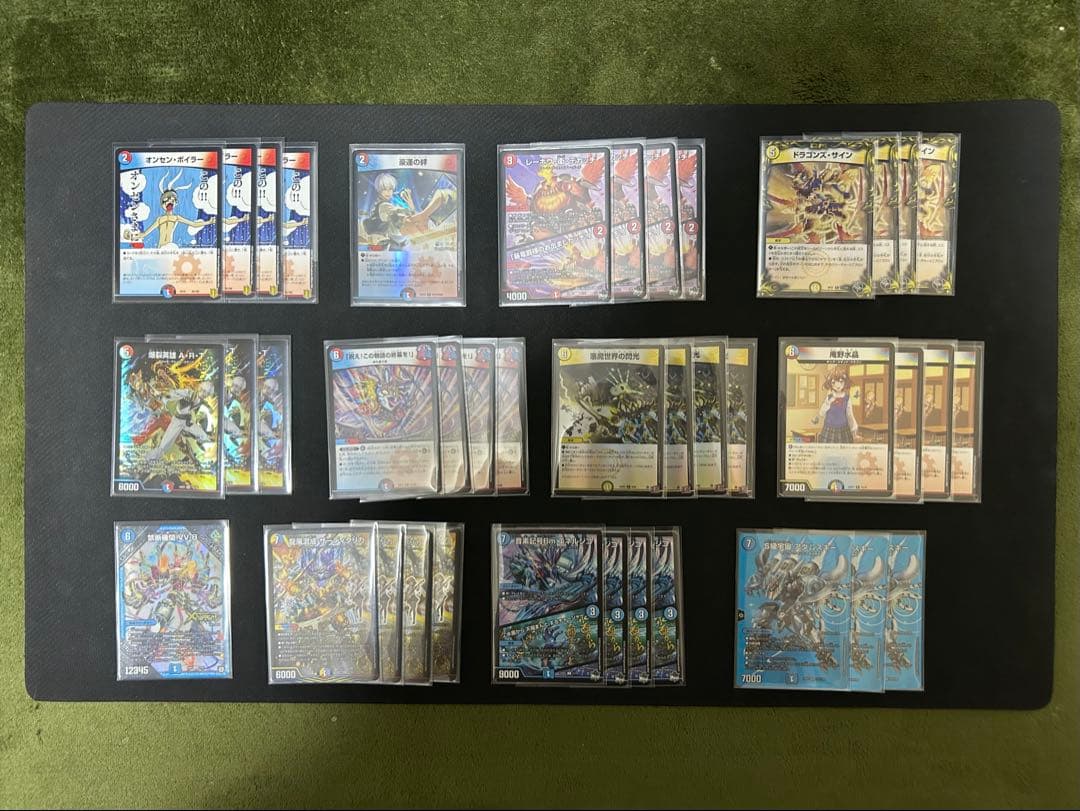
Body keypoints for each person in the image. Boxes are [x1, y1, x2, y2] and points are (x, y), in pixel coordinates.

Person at [810, 366, 858, 443]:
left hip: (843, 429)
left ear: (845, 382)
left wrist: (854, 426)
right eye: (834, 382)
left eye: (841, 382)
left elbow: (849, 414)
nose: (837, 385)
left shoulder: (847, 398)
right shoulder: (829, 397)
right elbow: (822, 413)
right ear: (830, 383)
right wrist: (828, 402)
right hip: (829, 428)